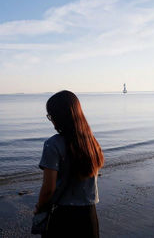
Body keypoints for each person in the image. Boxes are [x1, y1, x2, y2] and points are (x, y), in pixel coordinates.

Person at [34, 90, 104, 238]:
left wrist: (39, 207)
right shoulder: (91, 142)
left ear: (59, 117)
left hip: (63, 217)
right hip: (89, 216)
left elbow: (48, 189)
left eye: (50, 116)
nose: (51, 120)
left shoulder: (52, 145)